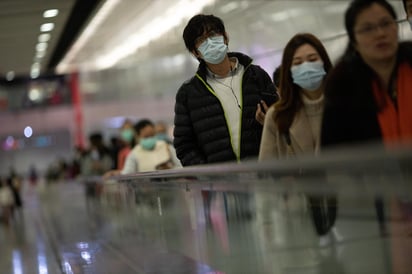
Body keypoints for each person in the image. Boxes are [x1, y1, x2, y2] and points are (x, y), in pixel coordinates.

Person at [321, 0, 412, 271]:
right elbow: (334, 153)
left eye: (386, 24)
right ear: (355, 39)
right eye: (368, 29)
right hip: (377, 201)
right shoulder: (343, 82)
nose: (380, 34)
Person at [257, 34, 337, 268]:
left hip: (349, 211)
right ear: (289, 71)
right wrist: (266, 225)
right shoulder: (278, 115)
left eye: (312, 58)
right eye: (298, 63)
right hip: (296, 217)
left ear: (324, 61)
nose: (307, 67)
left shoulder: (345, 104)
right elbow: (266, 173)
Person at [173, 14, 277, 166]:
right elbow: (184, 145)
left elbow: (282, 116)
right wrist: (209, 175)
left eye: (213, 34)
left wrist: (270, 121)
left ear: (225, 37)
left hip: (265, 172)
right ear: (195, 52)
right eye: (201, 40)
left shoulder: (256, 75)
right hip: (222, 184)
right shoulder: (188, 94)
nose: (209, 42)